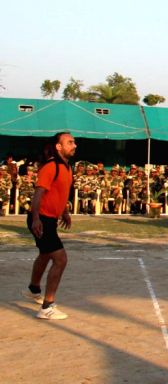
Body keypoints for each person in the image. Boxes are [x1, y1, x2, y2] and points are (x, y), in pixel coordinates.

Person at [23, 132, 77, 320]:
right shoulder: (50, 167)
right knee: (60, 260)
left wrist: (65, 213)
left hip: (50, 219)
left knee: (45, 255)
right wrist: (36, 218)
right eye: (69, 142)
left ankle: (33, 289)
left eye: (74, 142)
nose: (74, 145)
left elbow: (59, 193)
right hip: (42, 219)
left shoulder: (68, 168)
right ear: (58, 147)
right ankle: (47, 307)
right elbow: (39, 194)